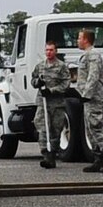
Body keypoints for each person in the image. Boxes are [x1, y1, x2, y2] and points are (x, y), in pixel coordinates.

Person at [75, 29, 103, 173]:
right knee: (89, 128)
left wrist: (87, 94)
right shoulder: (86, 55)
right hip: (88, 98)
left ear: (86, 40)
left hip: (94, 98)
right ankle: (98, 159)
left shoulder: (93, 55)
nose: (78, 41)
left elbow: (93, 76)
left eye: (79, 38)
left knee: (96, 126)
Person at [30, 41, 73, 169]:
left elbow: (66, 84)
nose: (49, 52)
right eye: (47, 50)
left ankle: (52, 154)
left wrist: (52, 90)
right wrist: (38, 82)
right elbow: (33, 79)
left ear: (56, 51)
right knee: (42, 127)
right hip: (42, 102)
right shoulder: (40, 66)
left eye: (51, 50)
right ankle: (46, 154)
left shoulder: (61, 67)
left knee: (55, 128)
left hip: (56, 103)